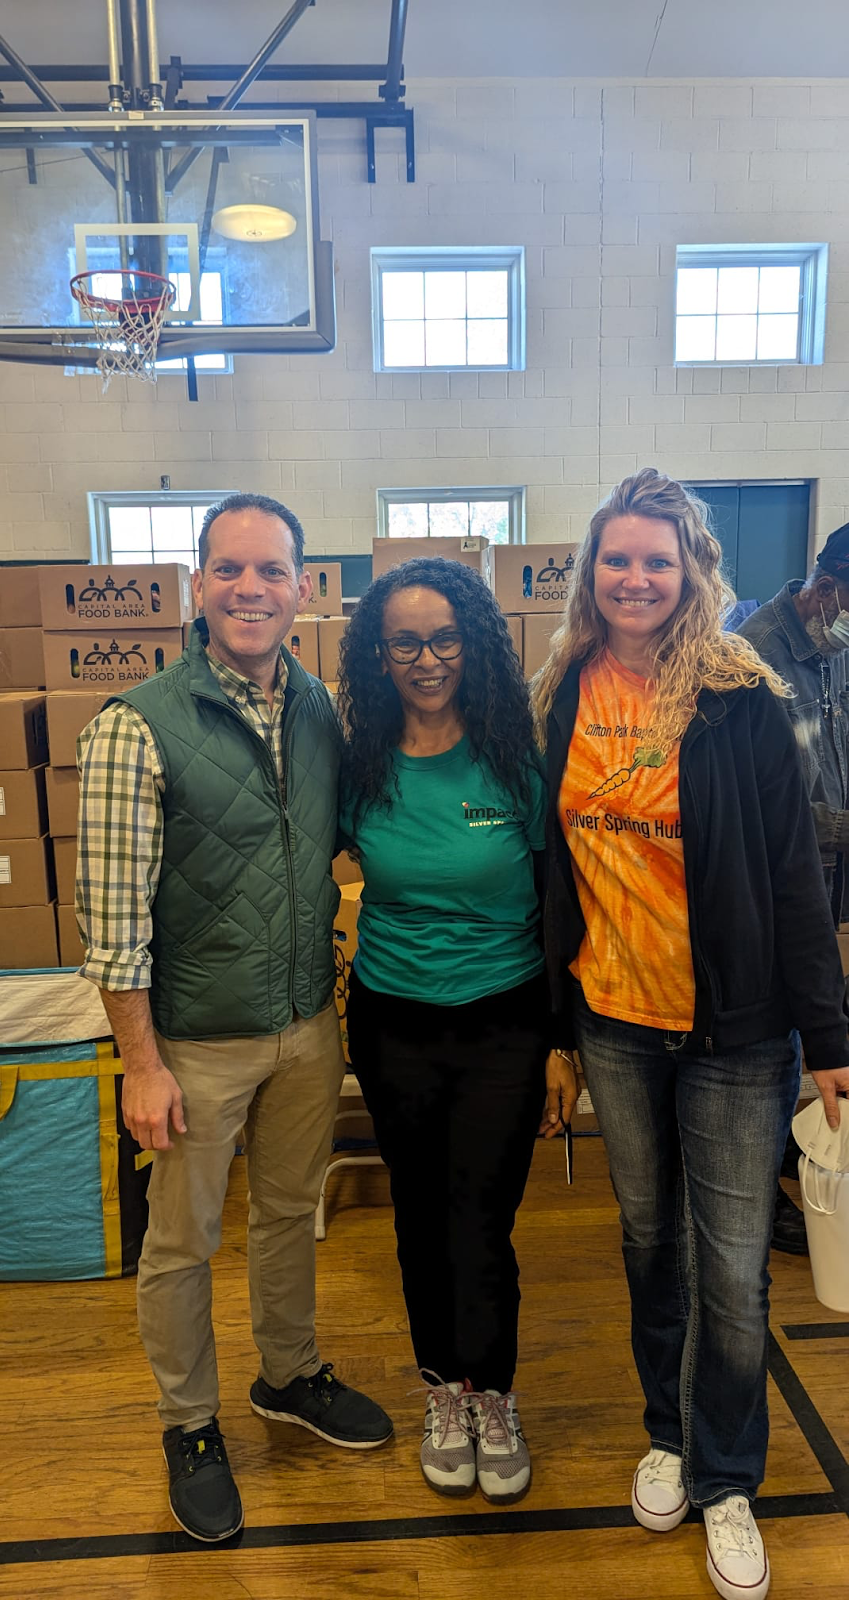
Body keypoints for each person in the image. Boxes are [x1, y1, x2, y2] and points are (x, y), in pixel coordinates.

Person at [531, 468, 849, 1600]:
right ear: (591, 573)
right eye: (617, 559)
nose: (636, 578)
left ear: (692, 573)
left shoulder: (739, 695)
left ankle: (726, 1478)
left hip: (733, 1035)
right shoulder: (564, 687)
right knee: (647, 1244)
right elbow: (550, 866)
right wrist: (555, 1030)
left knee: (730, 1265)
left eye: (657, 561)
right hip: (612, 1022)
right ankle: (666, 1428)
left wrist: (829, 1034)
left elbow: (798, 882)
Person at [76, 492, 392, 1546]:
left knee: (291, 1214)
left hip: (307, 1024)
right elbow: (113, 922)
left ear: (305, 591)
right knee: (182, 1243)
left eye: (273, 571)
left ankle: (289, 1373)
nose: (252, 588)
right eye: (231, 569)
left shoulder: (316, 708)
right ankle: (191, 1424)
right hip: (195, 1044)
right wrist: (142, 1064)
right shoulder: (135, 726)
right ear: (196, 585)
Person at [338, 556, 576, 1505]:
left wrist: (564, 1045)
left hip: (504, 1023)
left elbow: (562, 910)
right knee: (417, 1213)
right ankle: (444, 1389)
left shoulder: (518, 757)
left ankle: (494, 1393)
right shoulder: (357, 762)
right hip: (391, 1020)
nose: (427, 658)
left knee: (482, 1219)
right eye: (406, 641)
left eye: (444, 638)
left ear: (473, 644)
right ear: (379, 652)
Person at [737, 530, 849, 1253]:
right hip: (774, 886)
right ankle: (761, 1184)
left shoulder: (834, 649)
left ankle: (788, 1149)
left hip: (831, 878)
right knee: (776, 1039)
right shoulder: (754, 660)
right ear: (829, 585)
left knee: (820, 1019)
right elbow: (751, 806)